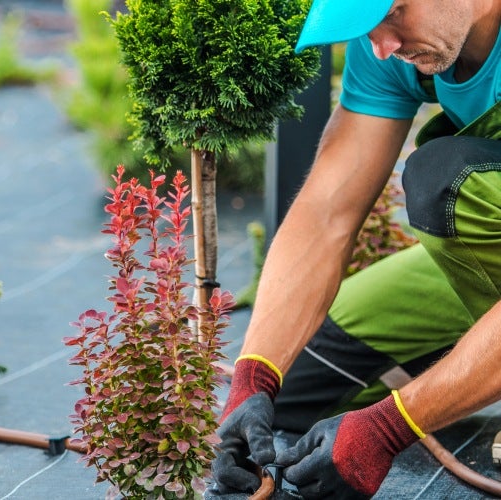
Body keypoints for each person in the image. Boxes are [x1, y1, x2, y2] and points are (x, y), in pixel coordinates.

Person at [209, 0, 501, 498]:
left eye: (394, 13)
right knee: (297, 385)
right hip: (483, 264)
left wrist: (391, 426)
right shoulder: (393, 49)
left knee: (446, 183)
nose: (381, 46)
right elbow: (326, 214)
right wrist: (252, 377)